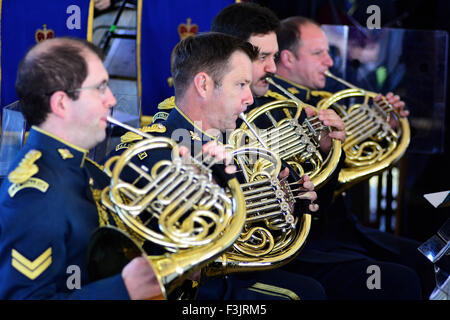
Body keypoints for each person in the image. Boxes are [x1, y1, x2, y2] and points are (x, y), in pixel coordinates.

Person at [210, 2, 425, 299]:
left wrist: (327, 151)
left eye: (272, 57)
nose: (272, 69)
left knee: (418, 263)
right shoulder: (218, 116)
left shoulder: (282, 108)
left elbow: (315, 198)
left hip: (309, 237)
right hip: (272, 252)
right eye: (264, 58)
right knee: (399, 279)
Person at [107, 31, 327, 300]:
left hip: (232, 276)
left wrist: (290, 202)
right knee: (307, 295)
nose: (249, 99)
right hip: (191, 290)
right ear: (203, 85)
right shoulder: (152, 151)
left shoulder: (234, 141)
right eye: (240, 85)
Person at [0, 37, 163, 300]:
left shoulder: (81, 166)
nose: (111, 99)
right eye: (100, 88)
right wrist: (122, 289)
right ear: (61, 103)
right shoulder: (35, 189)